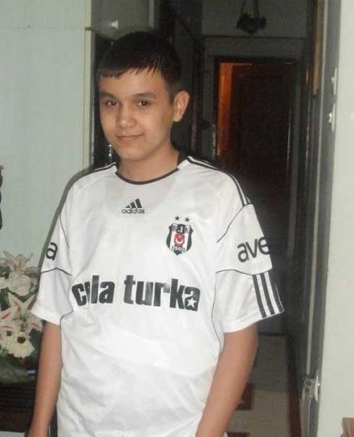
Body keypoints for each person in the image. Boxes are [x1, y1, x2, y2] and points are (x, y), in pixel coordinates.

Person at [29, 31, 283, 437]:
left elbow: (242, 336)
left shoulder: (217, 197)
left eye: (143, 103)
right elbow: (57, 319)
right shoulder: (82, 196)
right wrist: (40, 424)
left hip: (179, 426)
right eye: (111, 102)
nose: (123, 119)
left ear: (177, 106)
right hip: (82, 424)